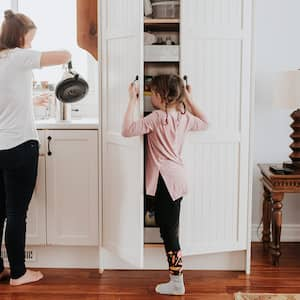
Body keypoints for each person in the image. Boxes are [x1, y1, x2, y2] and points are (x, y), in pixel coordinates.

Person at [0, 10, 71, 286]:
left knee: (0, 212)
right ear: (20, 37)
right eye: (30, 40)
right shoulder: (19, 56)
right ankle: (19, 272)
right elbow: (64, 54)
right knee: (17, 212)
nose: (31, 45)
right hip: (20, 146)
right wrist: (35, 52)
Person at [122, 74, 208, 295]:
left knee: (170, 233)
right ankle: (176, 278)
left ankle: (177, 281)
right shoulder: (183, 117)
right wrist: (188, 98)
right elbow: (205, 122)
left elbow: (126, 130)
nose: (150, 96)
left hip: (164, 181)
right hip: (177, 178)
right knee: (169, 229)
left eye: (152, 92)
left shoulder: (156, 117)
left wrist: (132, 99)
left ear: (160, 96)